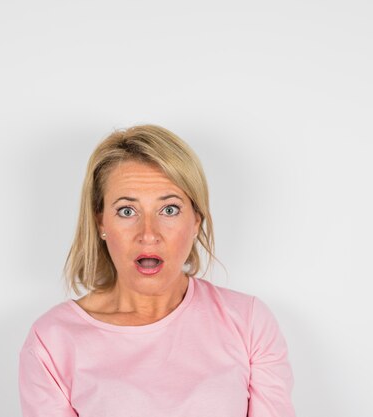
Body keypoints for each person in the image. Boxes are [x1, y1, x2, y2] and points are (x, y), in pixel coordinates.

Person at [18, 125, 295, 417]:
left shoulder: (249, 322)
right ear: (101, 223)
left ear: (196, 221)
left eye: (169, 210)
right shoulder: (51, 341)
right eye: (127, 211)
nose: (148, 234)